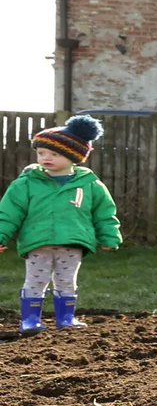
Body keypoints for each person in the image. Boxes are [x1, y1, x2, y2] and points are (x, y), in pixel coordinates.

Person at [1, 115, 122, 332]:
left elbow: (104, 213)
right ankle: (30, 321)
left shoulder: (90, 184)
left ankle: (66, 319)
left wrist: (109, 237)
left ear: (74, 156)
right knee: (35, 282)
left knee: (67, 282)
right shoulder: (26, 183)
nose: (46, 158)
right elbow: (8, 213)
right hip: (38, 243)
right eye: (41, 153)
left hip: (72, 243)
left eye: (54, 154)